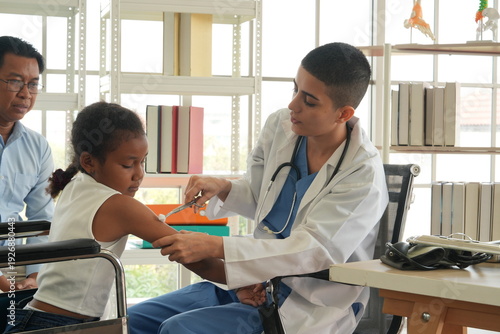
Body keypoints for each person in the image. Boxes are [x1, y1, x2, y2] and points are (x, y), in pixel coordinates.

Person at [127, 42, 389, 334]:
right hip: (254, 284)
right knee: (133, 321)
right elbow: (262, 198)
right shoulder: (281, 125)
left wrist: (215, 246)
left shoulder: (362, 173)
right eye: (295, 89)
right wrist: (224, 187)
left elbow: (313, 252)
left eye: (309, 101)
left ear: (343, 114)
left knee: (179, 330)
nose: (293, 106)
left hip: (310, 303)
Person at [3, 101, 229, 333]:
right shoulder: (120, 206)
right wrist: (249, 278)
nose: (139, 175)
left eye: (142, 162)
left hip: (32, 318)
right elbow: (194, 257)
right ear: (89, 161)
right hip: (60, 326)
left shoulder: (76, 184)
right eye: (128, 164)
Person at [0, 36, 53, 292]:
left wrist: (35, 275)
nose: (25, 93)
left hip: (13, 262)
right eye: (15, 82)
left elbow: (42, 217)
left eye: (33, 85)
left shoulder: (37, 147)